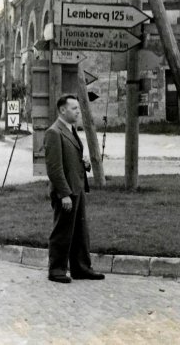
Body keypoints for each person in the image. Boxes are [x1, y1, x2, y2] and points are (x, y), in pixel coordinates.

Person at [44, 95, 104, 283]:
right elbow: (54, 168)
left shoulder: (71, 130)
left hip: (77, 188)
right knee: (63, 231)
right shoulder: (54, 132)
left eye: (78, 108)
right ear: (63, 110)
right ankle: (56, 270)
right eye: (74, 108)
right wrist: (64, 194)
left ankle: (81, 268)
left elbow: (71, 160)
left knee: (80, 231)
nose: (78, 111)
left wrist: (84, 163)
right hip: (66, 192)